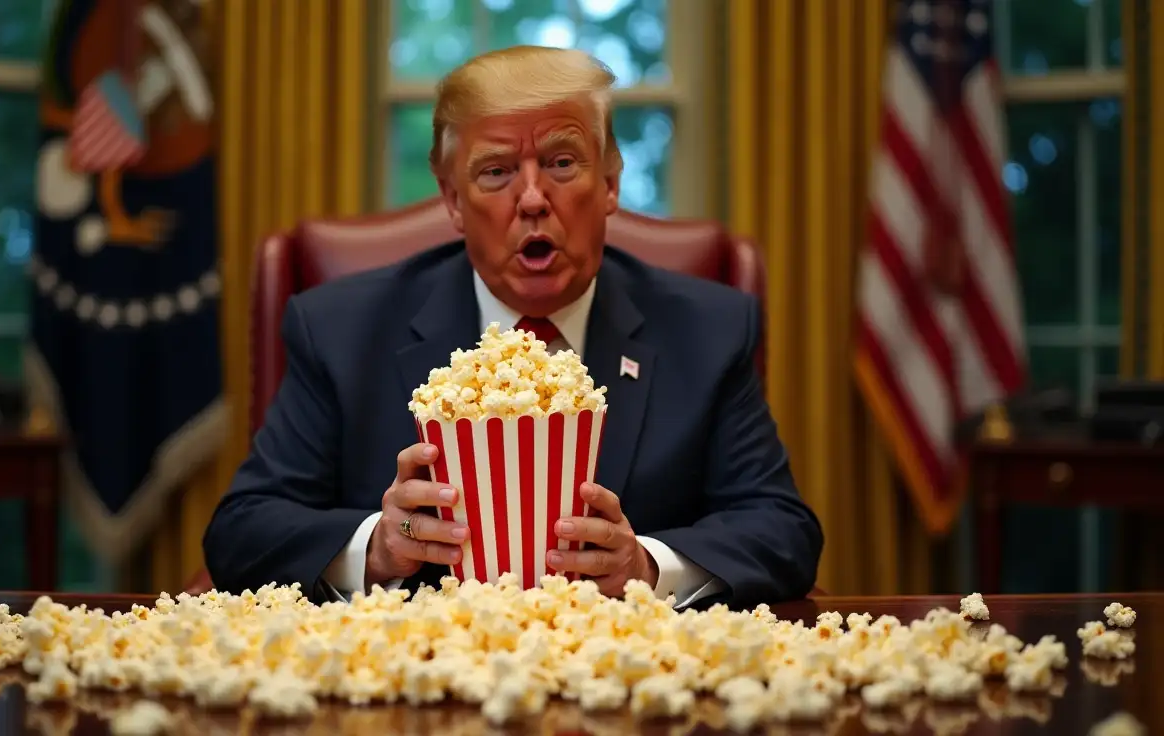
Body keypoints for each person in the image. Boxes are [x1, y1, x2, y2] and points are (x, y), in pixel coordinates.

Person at [203, 46, 822, 608]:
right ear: (451, 200)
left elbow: (781, 529)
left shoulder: (707, 330)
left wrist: (648, 566)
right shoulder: (340, 329)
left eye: (561, 162)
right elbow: (242, 529)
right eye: (496, 170)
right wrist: (377, 546)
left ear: (609, 184)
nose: (531, 198)